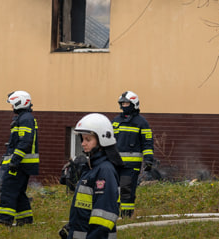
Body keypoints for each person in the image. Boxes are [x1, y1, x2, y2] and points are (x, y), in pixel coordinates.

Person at [60, 113, 122, 239]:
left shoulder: (105, 171)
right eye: (82, 139)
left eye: (88, 140)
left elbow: (104, 217)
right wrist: (73, 225)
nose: (83, 144)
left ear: (102, 140)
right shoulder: (91, 168)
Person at [0, 90, 39, 227]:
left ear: (20, 103)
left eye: (13, 104)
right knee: (18, 192)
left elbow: (25, 142)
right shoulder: (25, 118)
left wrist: (14, 161)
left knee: (8, 190)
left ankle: (4, 220)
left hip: (19, 164)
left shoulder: (25, 119)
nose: (12, 107)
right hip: (23, 164)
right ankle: (25, 220)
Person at [111, 90, 154, 218]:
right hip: (114, 163)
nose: (124, 106)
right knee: (113, 190)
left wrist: (148, 160)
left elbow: (147, 143)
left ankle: (126, 216)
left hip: (131, 166)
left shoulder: (141, 122)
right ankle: (113, 214)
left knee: (126, 190)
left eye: (126, 103)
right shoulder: (115, 121)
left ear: (133, 104)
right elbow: (108, 141)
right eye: (122, 104)